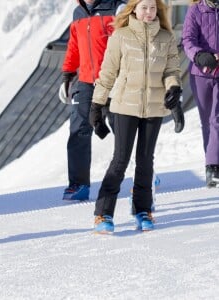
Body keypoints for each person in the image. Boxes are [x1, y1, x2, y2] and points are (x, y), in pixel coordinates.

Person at [90, 0, 184, 234]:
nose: (149, 12)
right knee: (120, 160)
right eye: (144, 7)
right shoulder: (120, 36)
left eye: (153, 8)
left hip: (153, 108)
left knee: (145, 161)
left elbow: (172, 71)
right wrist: (97, 105)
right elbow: (107, 72)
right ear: (134, 9)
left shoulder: (165, 37)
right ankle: (103, 213)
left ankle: (143, 210)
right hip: (124, 107)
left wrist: (173, 88)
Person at [59, 0, 126, 201]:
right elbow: (74, 45)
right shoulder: (78, 13)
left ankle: (146, 173)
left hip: (114, 79)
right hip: (87, 82)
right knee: (78, 129)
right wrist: (68, 75)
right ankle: (78, 184)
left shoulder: (117, 8)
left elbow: (128, 45)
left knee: (124, 129)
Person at [182, 0, 219, 188]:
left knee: (217, 120)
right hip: (200, 74)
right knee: (207, 121)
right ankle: (212, 163)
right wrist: (199, 55)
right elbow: (187, 39)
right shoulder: (195, 10)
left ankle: (213, 167)